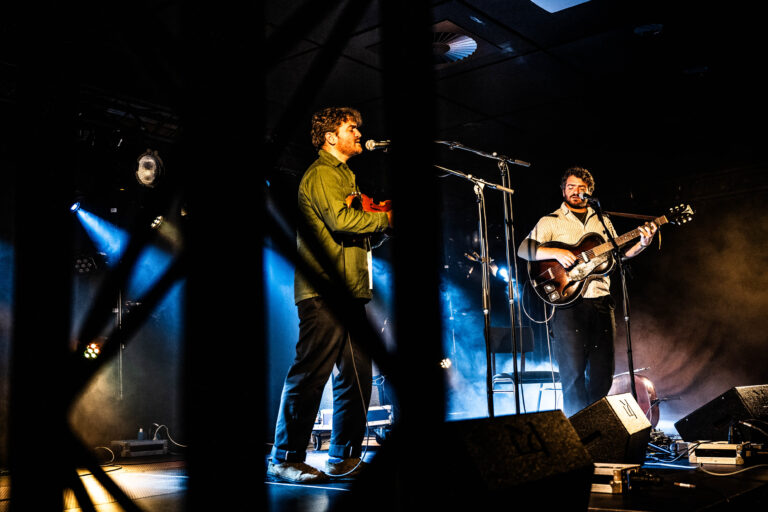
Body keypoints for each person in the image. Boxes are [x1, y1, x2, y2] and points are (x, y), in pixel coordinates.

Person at [267, 107, 392, 484]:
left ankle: (344, 456)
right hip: (324, 290)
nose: (359, 133)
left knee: (356, 378)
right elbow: (341, 221)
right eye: (351, 128)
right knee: (309, 374)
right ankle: (285, 458)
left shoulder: (346, 176)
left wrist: (380, 226)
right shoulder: (323, 173)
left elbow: (358, 231)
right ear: (330, 137)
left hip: (351, 290)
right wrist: (385, 219)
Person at [518, 167, 656, 417]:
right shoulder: (551, 221)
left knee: (603, 375)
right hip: (569, 305)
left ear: (590, 192)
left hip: (602, 302)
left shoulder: (602, 220)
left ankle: (598, 431)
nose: (575, 192)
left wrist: (642, 243)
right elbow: (524, 249)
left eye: (581, 188)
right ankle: (577, 435)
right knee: (572, 375)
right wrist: (556, 252)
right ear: (563, 190)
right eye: (571, 187)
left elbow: (620, 256)